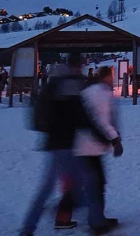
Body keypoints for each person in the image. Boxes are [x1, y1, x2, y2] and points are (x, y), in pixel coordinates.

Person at [20, 53, 89, 235]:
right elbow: (78, 113)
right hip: (65, 143)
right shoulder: (70, 83)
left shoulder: (53, 83)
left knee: (55, 185)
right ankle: (51, 217)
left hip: (54, 141)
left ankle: (31, 226)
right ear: (79, 65)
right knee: (76, 182)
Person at [75, 66, 122, 235]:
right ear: (106, 77)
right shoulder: (101, 93)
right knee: (96, 184)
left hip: (85, 144)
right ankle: (96, 222)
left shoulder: (89, 90)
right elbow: (101, 120)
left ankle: (97, 217)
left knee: (95, 183)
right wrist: (115, 139)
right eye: (111, 77)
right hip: (90, 146)